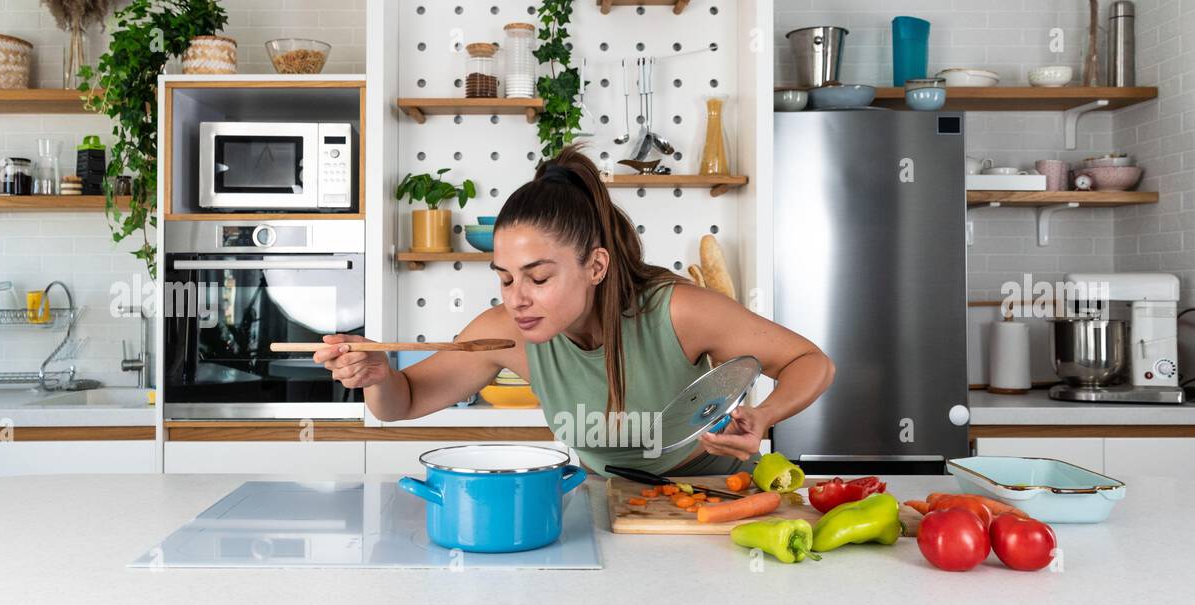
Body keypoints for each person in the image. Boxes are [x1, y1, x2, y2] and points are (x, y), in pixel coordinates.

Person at [312, 146, 834, 476]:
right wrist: (377, 375)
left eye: (539, 278)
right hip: (605, 500)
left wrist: (763, 417)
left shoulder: (679, 311)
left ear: (596, 265)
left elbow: (811, 362)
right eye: (505, 277)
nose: (517, 297)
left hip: (714, 495)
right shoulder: (505, 332)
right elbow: (399, 404)